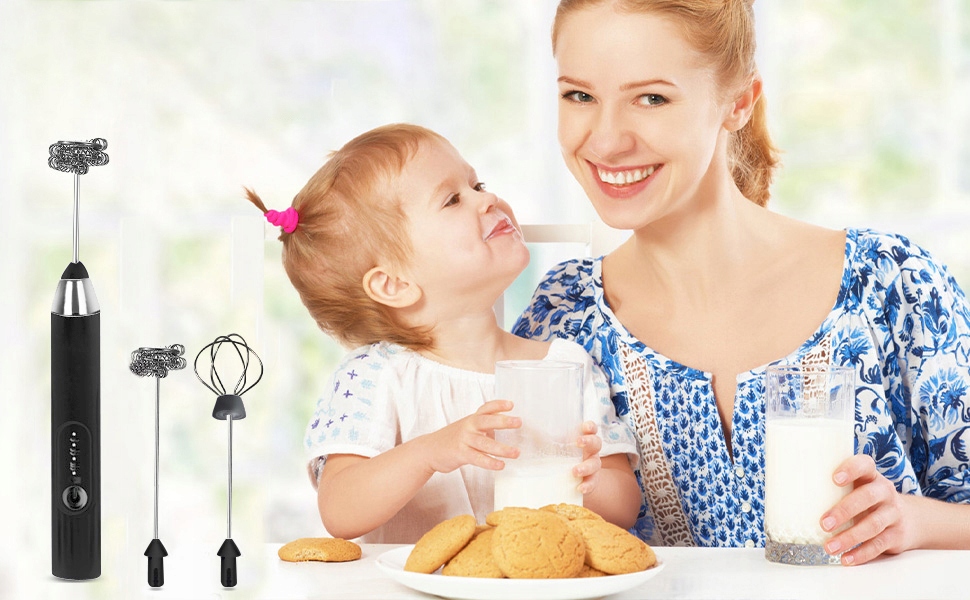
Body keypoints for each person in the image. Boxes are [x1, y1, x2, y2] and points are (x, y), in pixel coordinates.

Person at [513, 0, 970, 565]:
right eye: (579, 96)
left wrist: (915, 521)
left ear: (738, 102)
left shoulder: (892, 285)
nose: (606, 141)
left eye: (652, 98)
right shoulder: (562, 316)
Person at [246, 123, 641, 543]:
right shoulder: (375, 377)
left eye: (477, 184)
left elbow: (625, 508)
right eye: (452, 199)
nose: (487, 198)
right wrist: (430, 452)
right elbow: (340, 510)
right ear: (393, 284)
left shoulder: (566, 365)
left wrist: (588, 479)